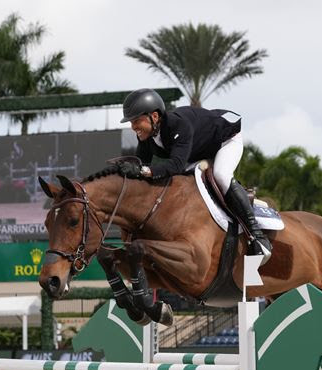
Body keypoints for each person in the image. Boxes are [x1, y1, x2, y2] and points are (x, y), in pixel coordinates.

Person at [111, 88, 272, 263]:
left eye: (136, 121)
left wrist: (143, 171)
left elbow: (176, 165)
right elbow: (141, 165)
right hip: (197, 153)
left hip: (225, 140)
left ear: (154, 117)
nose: (133, 127)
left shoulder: (178, 126)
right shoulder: (146, 137)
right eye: (131, 122)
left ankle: (257, 236)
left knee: (221, 175)